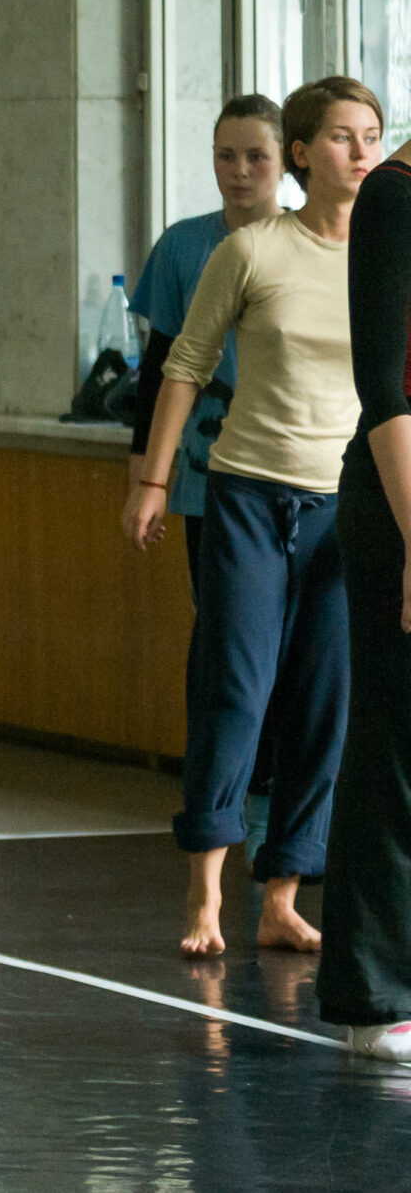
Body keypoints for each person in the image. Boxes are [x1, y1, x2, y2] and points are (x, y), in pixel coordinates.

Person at [125, 77, 386, 958]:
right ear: (304, 153)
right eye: (345, 137)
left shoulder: (387, 255)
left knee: (324, 702)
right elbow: (185, 366)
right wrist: (152, 483)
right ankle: (205, 894)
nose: (363, 152)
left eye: (374, 136)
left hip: (346, 504)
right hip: (244, 494)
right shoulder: (249, 251)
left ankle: (282, 892)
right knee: (235, 690)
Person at [127, 97, 288, 864]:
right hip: (204, 476)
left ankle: (291, 801)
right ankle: (238, 802)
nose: (239, 171)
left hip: (299, 473)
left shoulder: (311, 243)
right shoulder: (186, 247)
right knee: (230, 645)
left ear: (286, 159)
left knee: (301, 647)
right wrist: (145, 479)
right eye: (226, 155)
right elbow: (157, 371)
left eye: (255, 156)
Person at [323, 127, 411, 1060]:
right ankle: (371, 995)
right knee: (395, 737)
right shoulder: (392, 196)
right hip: (399, 492)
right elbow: (386, 389)